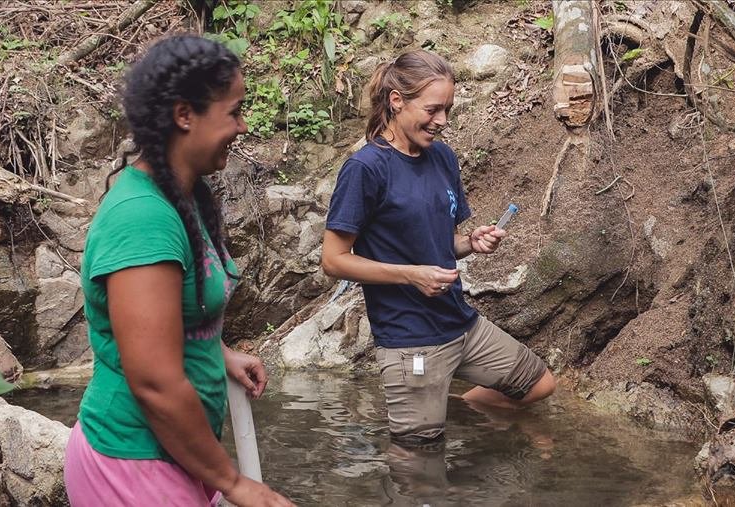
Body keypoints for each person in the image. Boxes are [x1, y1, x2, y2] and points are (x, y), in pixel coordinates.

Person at [63, 35, 294, 507]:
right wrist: (235, 483)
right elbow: (155, 382)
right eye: (234, 111)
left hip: (173, 456)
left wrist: (219, 351)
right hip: (131, 461)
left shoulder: (181, 199)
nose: (244, 125)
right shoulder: (142, 219)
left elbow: (173, 315)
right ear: (184, 115)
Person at [321, 50, 556, 446]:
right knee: (419, 464)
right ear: (397, 101)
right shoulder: (366, 169)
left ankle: (458, 411)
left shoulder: (442, 157)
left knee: (539, 384)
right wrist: (410, 274)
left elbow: (436, 241)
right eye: (432, 110)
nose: (442, 121)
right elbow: (333, 260)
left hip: (461, 324)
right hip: (409, 339)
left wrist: (470, 242)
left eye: (447, 109)